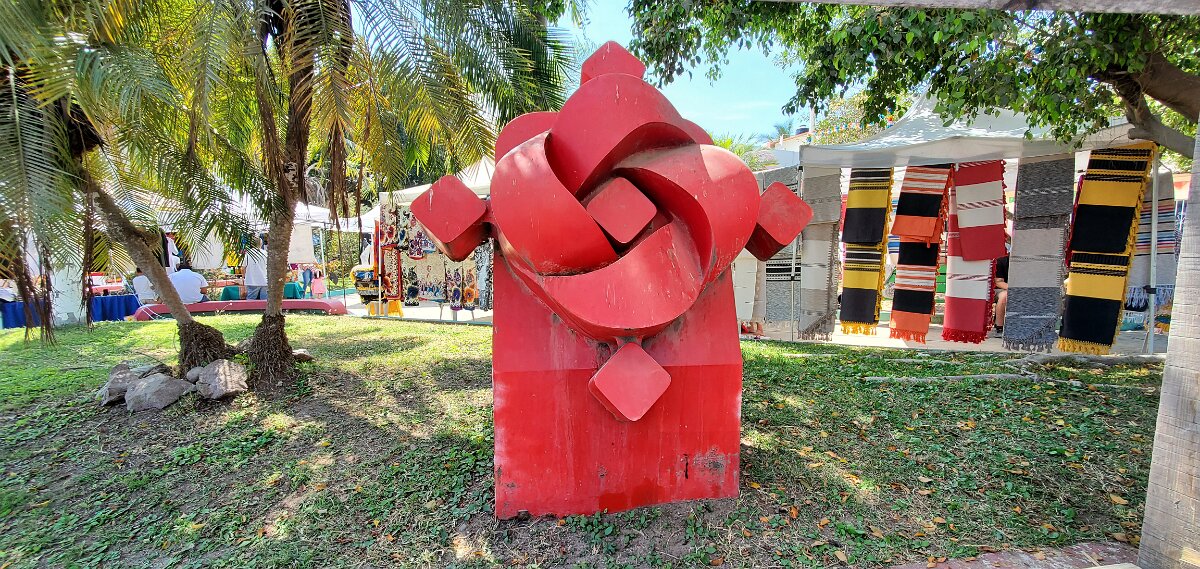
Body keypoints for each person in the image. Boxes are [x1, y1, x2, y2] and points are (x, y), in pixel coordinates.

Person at [993, 254, 1009, 335]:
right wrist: (1014, 289)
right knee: (1004, 296)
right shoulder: (1001, 261)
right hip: (1000, 289)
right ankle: (999, 327)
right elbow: (999, 282)